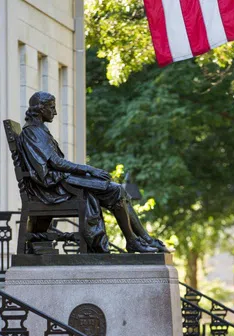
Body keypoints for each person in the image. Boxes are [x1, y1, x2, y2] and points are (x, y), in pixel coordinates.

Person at [19, 91, 169, 254]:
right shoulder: (32, 132)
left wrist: (89, 172)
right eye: (52, 108)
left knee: (118, 190)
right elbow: (55, 163)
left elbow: (54, 162)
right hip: (51, 188)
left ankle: (143, 239)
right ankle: (134, 241)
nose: (54, 112)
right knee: (116, 189)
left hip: (59, 182)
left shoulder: (39, 130)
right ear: (41, 109)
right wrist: (89, 169)